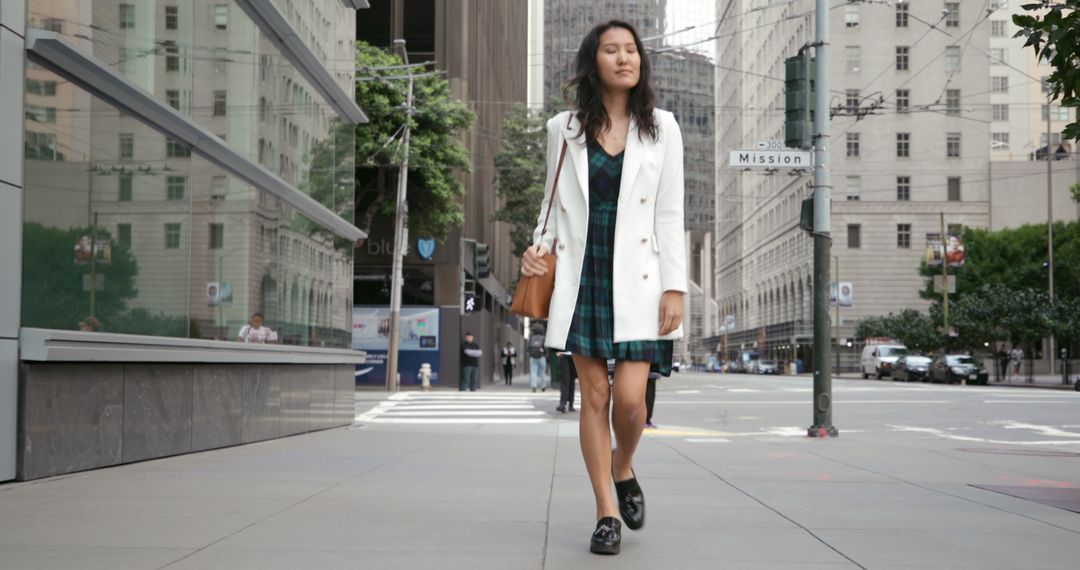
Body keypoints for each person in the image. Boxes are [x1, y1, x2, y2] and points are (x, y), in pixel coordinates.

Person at [519, 20, 686, 556]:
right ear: (594, 62)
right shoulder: (561, 129)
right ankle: (606, 511)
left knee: (631, 402)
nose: (623, 58)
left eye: (631, 49)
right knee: (594, 397)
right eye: (611, 50)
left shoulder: (663, 127)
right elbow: (550, 205)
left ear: (641, 62)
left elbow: (669, 212)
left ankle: (623, 463)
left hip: (640, 277)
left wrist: (675, 287)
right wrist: (534, 250)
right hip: (583, 272)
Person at [527, 325, 549, 392]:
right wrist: (545, 353)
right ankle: (543, 386)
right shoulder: (543, 338)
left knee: (533, 372)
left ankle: (534, 386)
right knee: (542, 372)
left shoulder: (532, 338)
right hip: (541, 357)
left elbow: (528, 348)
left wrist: (530, 353)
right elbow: (546, 348)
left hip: (533, 357)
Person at [644, 364, 660, 428]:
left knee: (650, 399)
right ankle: (643, 420)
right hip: (645, 372)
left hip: (652, 372)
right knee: (647, 398)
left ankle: (646, 420)